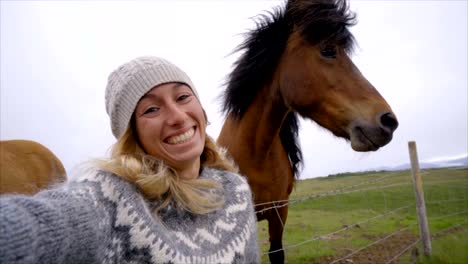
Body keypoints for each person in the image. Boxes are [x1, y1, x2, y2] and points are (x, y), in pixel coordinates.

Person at [0, 56, 260, 264]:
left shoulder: (235, 191)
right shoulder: (111, 199)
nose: (178, 116)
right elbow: (40, 225)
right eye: (151, 109)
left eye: (183, 97)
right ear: (132, 135)